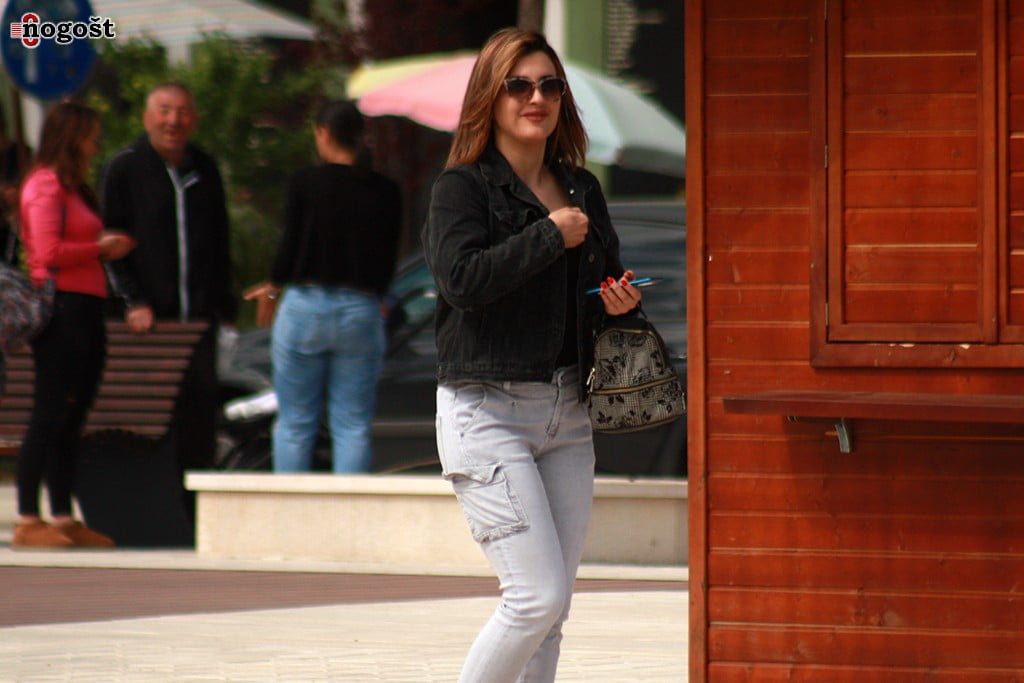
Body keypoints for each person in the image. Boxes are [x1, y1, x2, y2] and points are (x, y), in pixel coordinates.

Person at [421, 28, 642, 683]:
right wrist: (548, 234)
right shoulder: (461, 189)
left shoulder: (582, 189)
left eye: (549, 85)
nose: (535, 97)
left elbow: (596, 287)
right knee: (533, 599)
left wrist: (619, 301)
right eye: (518, 85)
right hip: (486, 411)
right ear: (490, 98)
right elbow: (461, 282)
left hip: (567, 413)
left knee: (553, 612)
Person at [245, 100, 402, 472]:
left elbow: (289, 246)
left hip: (305, 306)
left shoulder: (305, 182)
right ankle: (349, 507)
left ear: (323, 133)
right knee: (352, 424)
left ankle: (291, 505)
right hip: (361, 308)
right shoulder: (385, 190)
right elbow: (388, 255)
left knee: (295, 423)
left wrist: (273, 287)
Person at [13, 101, 136, 549]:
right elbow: (47, 253)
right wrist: (99, 248)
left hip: (88, 305)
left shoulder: (75, 188)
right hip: (61, 306)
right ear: (72, 137)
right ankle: (28, 516)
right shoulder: (44, 185)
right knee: (49, 410)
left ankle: (63, 514)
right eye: (90, 134)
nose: (96, 142)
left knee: (73, 413)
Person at [99, 82, 236, 484]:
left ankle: (193, 503)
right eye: (164, 110)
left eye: (182, 111)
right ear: (147, 117)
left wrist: (224, 306)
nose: (173, 120)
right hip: (148, 326)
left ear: (194, 119)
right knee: (150, 418)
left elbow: (219, 239)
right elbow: (108, 245)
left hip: (198, 323)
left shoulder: (204, 169)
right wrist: (133, 301)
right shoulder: (123, 168)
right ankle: (146, 498)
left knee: (199, 417)